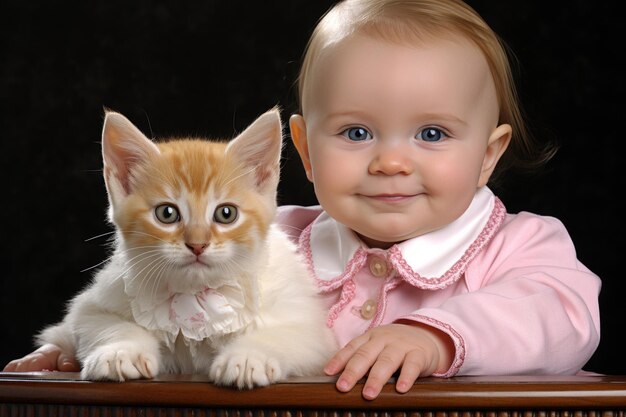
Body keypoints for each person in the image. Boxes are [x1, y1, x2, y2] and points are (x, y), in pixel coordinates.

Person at [5, 0, 601, 401]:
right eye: (356, 133)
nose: (391, 161)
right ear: (304, 154)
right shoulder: (272, 238)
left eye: (432, 134)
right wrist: (74, 344)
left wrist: (435, 336)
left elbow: (563, 317)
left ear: (489, 157)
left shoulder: (522, 245)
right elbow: (145, 299)